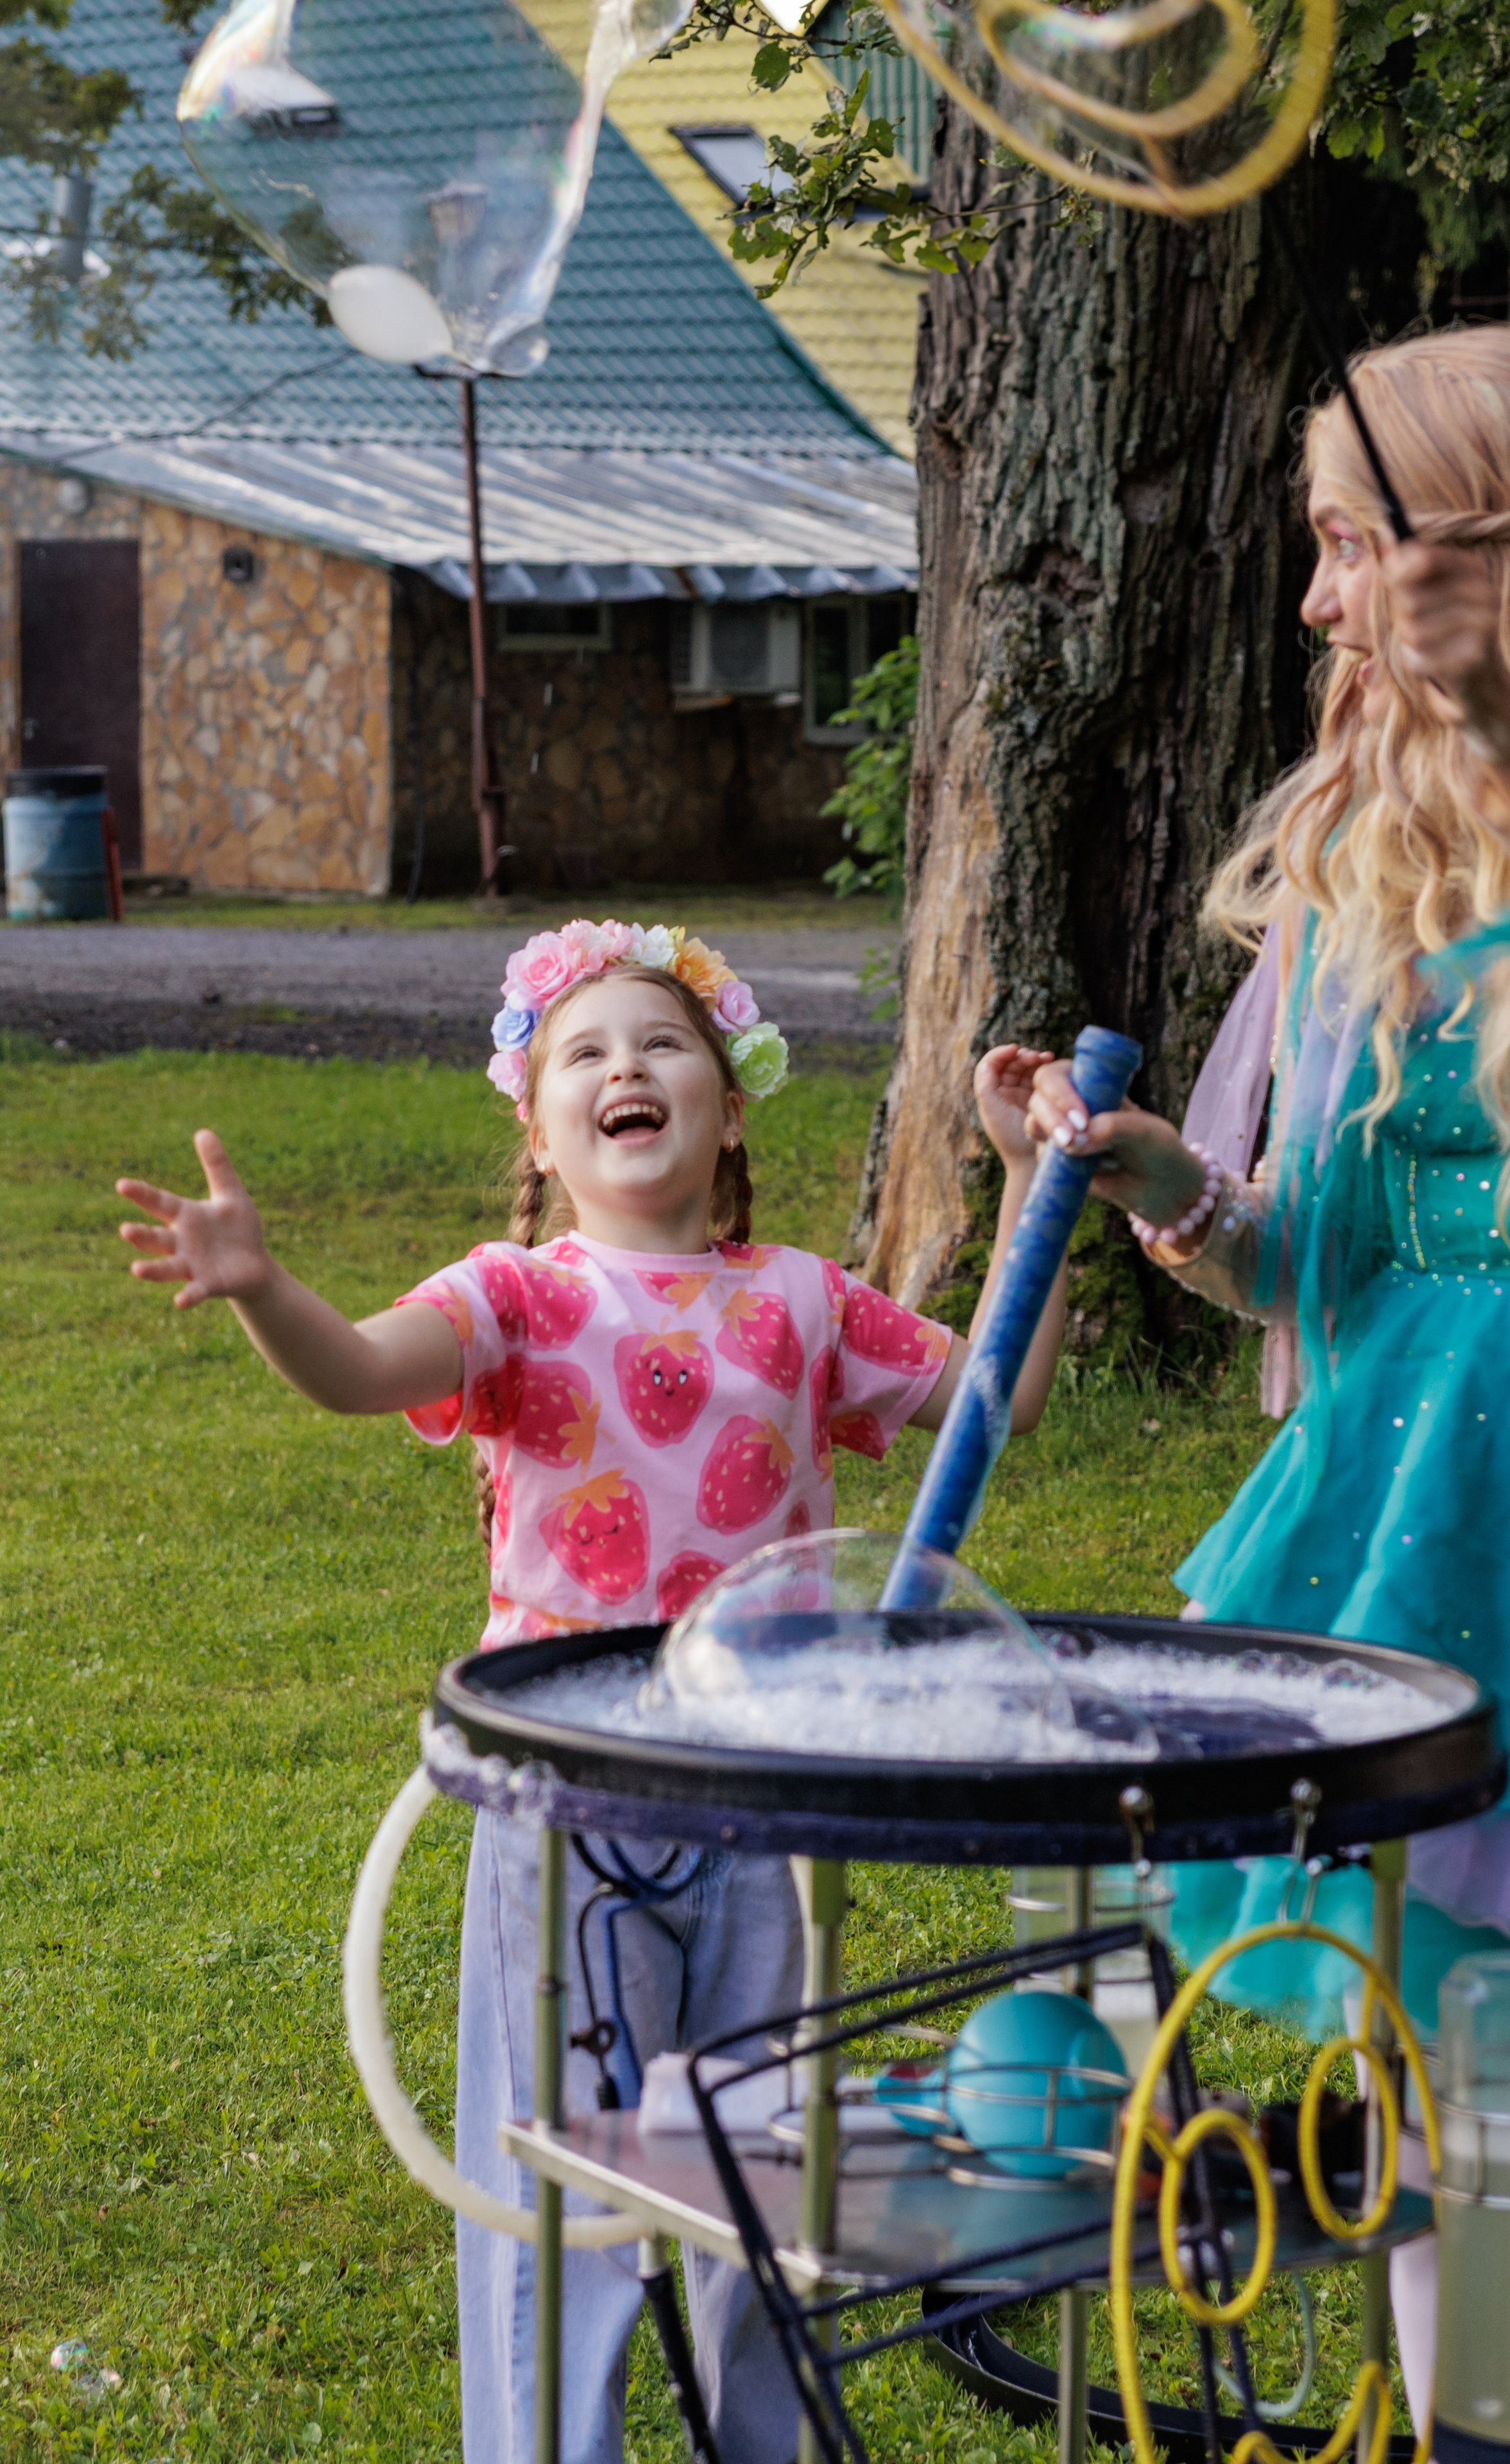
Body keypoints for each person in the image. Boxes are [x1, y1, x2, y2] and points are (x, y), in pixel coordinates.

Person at [114, 918, 1067, 2464]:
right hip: (569, 1791)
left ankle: (761, 2441)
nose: (627, 1066)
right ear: (539, 1125)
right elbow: (363, 1370)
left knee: (765, 2160)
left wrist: (1031, 1182)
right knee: (568, 2172)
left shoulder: (808, 1303)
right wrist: (262, 1287)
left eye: (662, 1043)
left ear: (731, 1099)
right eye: (586, 1053)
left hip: (768, 1791)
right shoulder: (516, 1298)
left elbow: (998, 1403)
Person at [1029, 321, 1510, 2412]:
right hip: (1411, 1539)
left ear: (1506, 554)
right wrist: (1167, 1184)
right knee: (1410, 2100)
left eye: (1348, 543)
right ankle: (1469, 2394)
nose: (1310, 601)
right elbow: (1314, 1261)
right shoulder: (1359, 859)